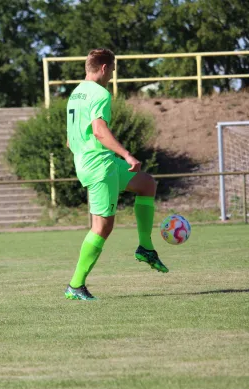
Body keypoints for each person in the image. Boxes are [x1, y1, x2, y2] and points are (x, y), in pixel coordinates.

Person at [64, 48, 168, 301]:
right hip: (100, 165)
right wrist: (127, 155)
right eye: (112, 69)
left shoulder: (76, 93)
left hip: (93, 161)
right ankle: (75, 285)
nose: (111, 74)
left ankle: (145, 247)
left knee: (146, 184)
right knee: (102, 227)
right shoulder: (100, 93)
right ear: (104, 68)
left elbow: (70, 140)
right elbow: (99, 130)